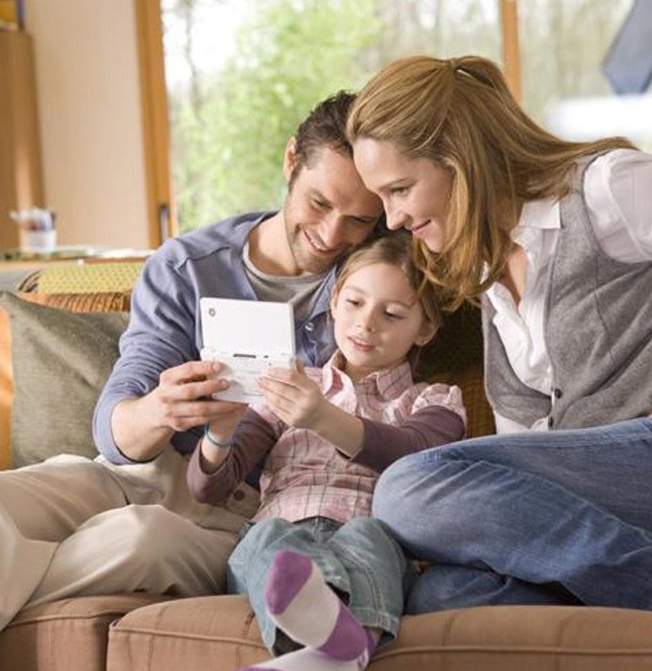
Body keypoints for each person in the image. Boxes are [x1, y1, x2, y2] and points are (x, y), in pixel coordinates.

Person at [0, 92, 383, 630]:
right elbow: (117, 432)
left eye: (360, 221)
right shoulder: (186, 267)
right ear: (291, 160)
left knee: (139, 538)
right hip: (136, 476)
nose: (331, 235)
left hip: (245, 510)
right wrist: (160, 410)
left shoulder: (373, 289)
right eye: (319, 204)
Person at [345, 54, 652, 615]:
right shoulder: (490, 278)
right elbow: (526, 444)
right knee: (441, 596)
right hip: (597, 502)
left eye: (400, 189)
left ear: (459, 157)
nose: (392, 219)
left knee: (406, 489)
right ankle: (644, 576)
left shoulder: (609, 188)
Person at [186, 236, 466, 671]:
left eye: (393, 314)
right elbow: (210, 487)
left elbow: (413, 454)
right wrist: (221, 428)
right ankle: (333, 659)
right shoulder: (288, 385)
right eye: (355, 302)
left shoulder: (436, 401)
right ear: (334, 300)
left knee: (370, 539)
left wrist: (322, 418)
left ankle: (323, 650)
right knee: (269, 541)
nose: (366, 323)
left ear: (425, 329)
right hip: (281, 526)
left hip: (373, 534)